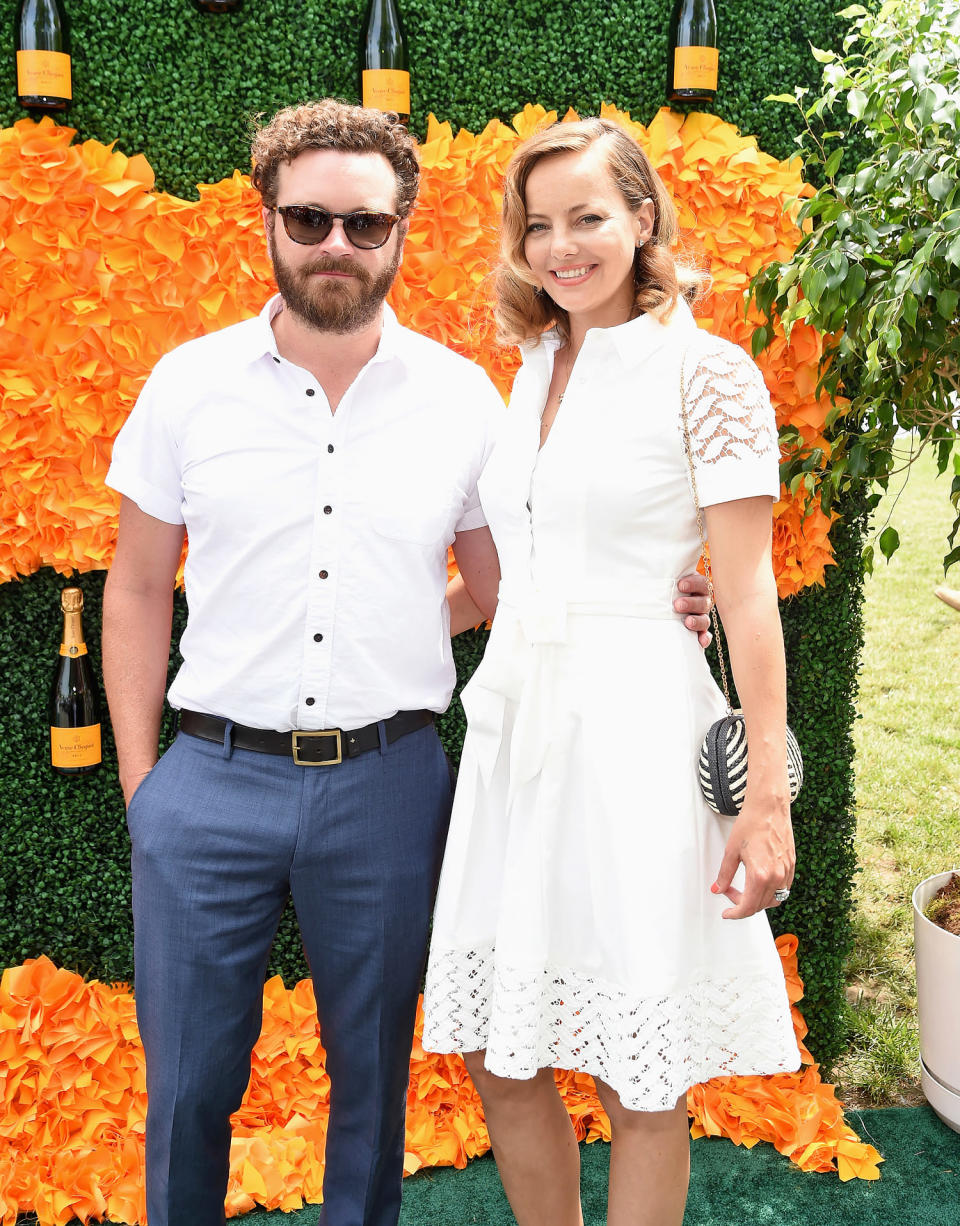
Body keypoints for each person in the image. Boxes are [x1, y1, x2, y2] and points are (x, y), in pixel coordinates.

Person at [101, 100, 712, 1226]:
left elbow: (511, 579)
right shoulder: (185, 386)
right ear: (268, 220)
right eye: (310, 218)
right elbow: (137, 586)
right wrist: (147, 787)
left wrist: (677, 582)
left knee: (372, 1088)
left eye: (365, 224)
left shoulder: (464, 400)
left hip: (388, 787)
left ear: (403, 229)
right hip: (207, 781)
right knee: (186, 1084)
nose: (337, 244)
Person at [421, 117, 802, 1226]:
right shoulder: (534, 362)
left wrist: (766, 795)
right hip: (515, 736)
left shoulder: (708, 370)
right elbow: (522, 568)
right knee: (499, 1053)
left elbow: (745, 592)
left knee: (642, 1077)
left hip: (635, 730)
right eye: (537, 225)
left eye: (587, 217)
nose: (560, 246)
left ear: (643, 219)